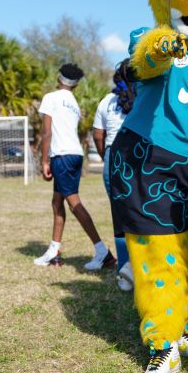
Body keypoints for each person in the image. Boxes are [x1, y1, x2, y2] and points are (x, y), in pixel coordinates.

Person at [33, 63, 115, 272]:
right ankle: (54, 251)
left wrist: (44, 161)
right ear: (76, 85)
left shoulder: (51, 98)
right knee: (57, 201)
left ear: (58, 77)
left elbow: (47, 132)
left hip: (61, 155)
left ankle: (102, 252)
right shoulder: (74, 103)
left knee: (73, 203)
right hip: (75, 154)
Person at [93, 60, 137, 288]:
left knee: (119, 217)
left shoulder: (107, 102)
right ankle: (145, 267)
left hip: (114, 155)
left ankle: (125, 273)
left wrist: (106, 157)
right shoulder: (147, 97)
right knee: (145, 214)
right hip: (142, 154)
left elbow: (98, 135)